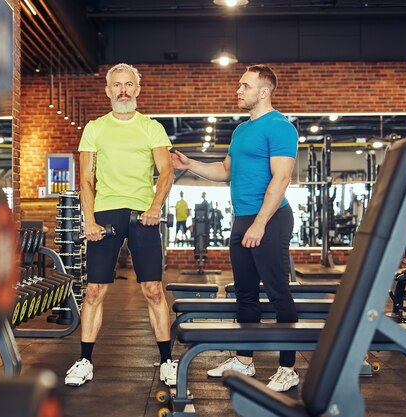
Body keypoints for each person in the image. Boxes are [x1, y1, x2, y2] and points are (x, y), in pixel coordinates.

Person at [171, 64, 299, 392]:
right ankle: (244, 360)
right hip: (244, 219)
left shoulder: (281, 127)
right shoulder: (241, 131)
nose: (238, 90)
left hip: (269, 219)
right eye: (239, 86)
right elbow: (224, 171)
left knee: (277, 291)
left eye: (244, 85)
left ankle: (288, 368)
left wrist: (260, 222)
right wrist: (191, 165)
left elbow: (281, 179)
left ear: (264, 91)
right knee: (244, 291)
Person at [65, 63, 177, 387]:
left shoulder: (152, 128)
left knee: (153, 290)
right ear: (108, 90)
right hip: (106, 213)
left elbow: (166, 172)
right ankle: (85, 360)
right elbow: (85, 178)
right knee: (93, 291)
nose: (124, 90)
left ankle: (167, 361)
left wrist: (156, 206)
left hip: (144, 213)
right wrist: (88, 219)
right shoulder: (94, 128)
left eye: (129, 85)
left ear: (137, 90)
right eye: (117, 85)